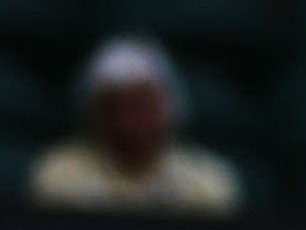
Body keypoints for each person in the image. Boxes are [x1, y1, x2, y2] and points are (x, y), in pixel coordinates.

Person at [32, 38, 244, 218]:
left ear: (168, 108)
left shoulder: (207, 183)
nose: (131, 122)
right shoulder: (59, 177)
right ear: (95, 114)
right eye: (117, 107)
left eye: (142, 107)